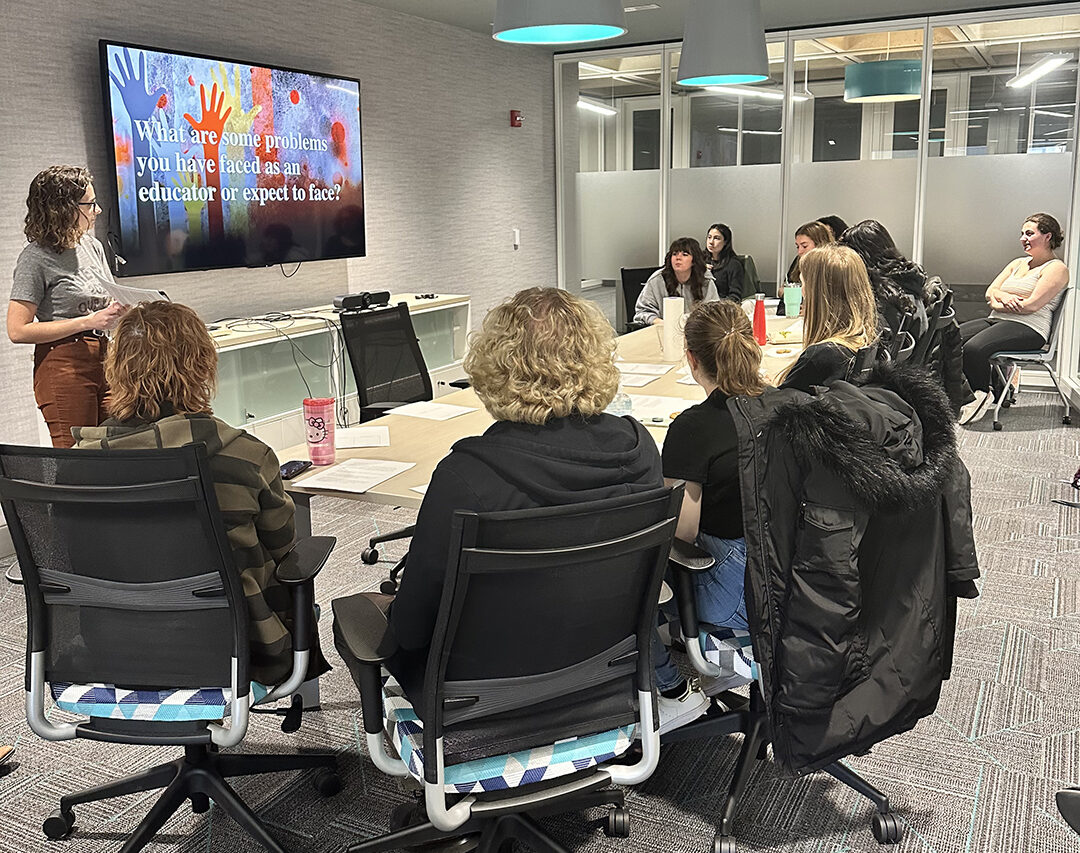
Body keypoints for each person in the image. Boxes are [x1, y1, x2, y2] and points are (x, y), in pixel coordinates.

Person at [382, 288, 678, 711]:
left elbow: (411, 630)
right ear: (594, 358)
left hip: (479, 697)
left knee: (360, 620)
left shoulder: (466, 477)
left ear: (496, 366)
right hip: (606, 676)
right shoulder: (637, 447)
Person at [72, 301, 328, 686]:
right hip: (235, 650)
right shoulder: (246, 457)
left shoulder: (77, 466)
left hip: (109, 649)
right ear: (203, 366)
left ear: (115, 369)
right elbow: (284, 550)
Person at [653, 299, 771, 731]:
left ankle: (674, 686)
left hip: (738, 596)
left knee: (631, 575)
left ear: (691, 358)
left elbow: (681, 534)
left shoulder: (693, 427)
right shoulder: (789, 405)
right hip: (798, 579)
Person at [8, 166, 127, 448]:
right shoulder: (34, 258)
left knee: (119, 446)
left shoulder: (92, 246)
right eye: (90, 204)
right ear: (63, 209)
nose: (97, 210)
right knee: (78, 458)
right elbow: (17, 330)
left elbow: (109, 298)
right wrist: (87, 322)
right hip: (64, 363)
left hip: (106, 359)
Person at [957, 213, 1070, 425]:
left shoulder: (1057, 269)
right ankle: (960, 394)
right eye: (1022, 234)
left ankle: (981, 394)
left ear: (1048, 236)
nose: (1023, 238)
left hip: (1029, 327)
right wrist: (1004, 301)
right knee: (950, 338)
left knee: (974, 348)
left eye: (1029, 233)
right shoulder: (1017, 263)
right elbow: (991, 292)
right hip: (998, 319)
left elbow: (1032, 306)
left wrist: (999, 301)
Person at [779, 244, 879, 394]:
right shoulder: (867, 338)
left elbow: (776, 406)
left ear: (818, 292)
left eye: (804, 283)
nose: (802, 291)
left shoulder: (822, 356)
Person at [633, 237, 719, 326]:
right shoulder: (657, 280)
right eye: (674, 254)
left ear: (694, 260)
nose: (678, 258)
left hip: (697, 332)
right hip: (663, 331)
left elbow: (714, 312)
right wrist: (661, 323)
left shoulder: (706, 280)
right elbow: (642, 312)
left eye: (684, 254)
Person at [779, 220, 832, 315]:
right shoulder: (798, 262)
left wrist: (812, 312)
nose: (799, 251)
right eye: (797, 246)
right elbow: (782, 307)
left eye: (804, 246)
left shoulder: (833, 266)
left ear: (820, 244)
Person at [704, 223, 745, 302]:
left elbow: (735, 297)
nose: (711, 242)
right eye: (709, 237)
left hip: (721, 307)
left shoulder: (733, 264)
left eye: (717, 238)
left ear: (725, 242)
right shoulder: (700, 260)